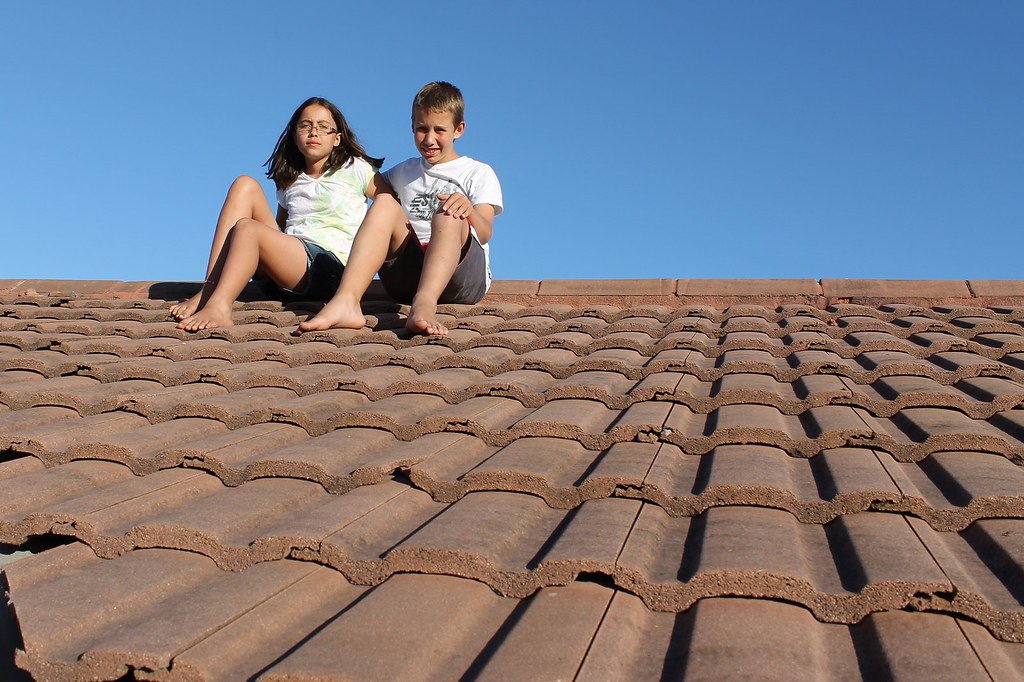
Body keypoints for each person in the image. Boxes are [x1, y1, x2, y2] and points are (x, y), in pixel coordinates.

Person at [298, 81, 503, 336]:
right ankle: (346, 301)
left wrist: (468, 209)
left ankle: (424, 305)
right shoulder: (402, 173)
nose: (429, 139)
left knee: (447, 212)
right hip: (407, 277)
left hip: (460, 280)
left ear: (458, 129)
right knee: (384, 202)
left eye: (440, 130)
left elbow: (484, 232)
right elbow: (354, 183)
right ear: (412, 126)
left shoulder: (477, 172)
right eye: (421, 129)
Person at [171, 97, 387, 331]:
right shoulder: (289, 180)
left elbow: (389, 210)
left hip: (329, 269)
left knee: (248, 229)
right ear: (294, 135)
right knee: (244, 185)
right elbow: (280, 229)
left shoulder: (356, 168)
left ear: (337, 138)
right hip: (289, 268)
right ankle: (210, 288)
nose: (314, 132)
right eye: (305, 125)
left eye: (323, 127)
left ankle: (221, 307)